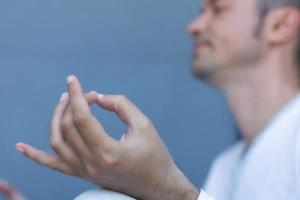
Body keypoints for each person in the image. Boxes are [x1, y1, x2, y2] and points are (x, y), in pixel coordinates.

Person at [10, 0, 300, 199]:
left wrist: (170, 191)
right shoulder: (228, 165)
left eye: (218, 9)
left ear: (280, 25)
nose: (195, 25)